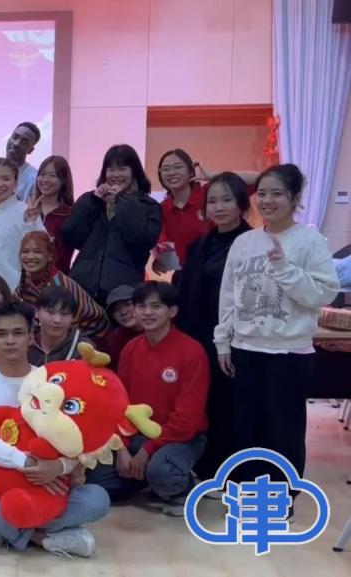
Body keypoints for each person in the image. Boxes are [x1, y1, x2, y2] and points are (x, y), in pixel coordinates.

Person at [0, 301, 109, 557]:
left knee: (98, 498)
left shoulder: (50, 379)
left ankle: (0, 527)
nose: (10, 340)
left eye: (18, 333)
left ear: (31, 336)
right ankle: (39, 537)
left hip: (47, 483)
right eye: (2, 334)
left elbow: (76, 435)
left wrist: (60, 467)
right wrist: (24, 462)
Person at [214, 164, 339, 490]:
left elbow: (323, 294)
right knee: (246, 429)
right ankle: (247, 494)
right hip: (245, 349)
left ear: (295, 198)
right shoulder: (244, 242)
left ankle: (281, 497)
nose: (267, 200)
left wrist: (285, 268)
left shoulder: (310, 241)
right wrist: (223, 341)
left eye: (277, 193)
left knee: (283, 432)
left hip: (289, 353)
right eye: (262, 193)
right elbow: (228, 295)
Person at [86, 282, 209, 516]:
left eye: (156, 306)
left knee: (163, 473)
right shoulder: (131, 349)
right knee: (96, 479)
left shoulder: (192, 352)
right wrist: (122, 448)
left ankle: (181, 485)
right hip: (136, 436)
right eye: (141, 306)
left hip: (181, 438)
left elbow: (186, 421)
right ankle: (145, 476)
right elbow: (119, 404)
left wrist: (146, 451)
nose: (147, 312)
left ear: (172, 311)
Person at [175, 173, 252, 479]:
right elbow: (185, 292)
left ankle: (234, 468)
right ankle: (206, 465)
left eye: (227, 200)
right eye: (212, 201)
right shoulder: (199, 245)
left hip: (237, 338)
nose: (219, 207)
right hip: (200, 335)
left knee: (232, 403)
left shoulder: (252, 244)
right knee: (204, 401)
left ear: (242, 204)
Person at [61, 144, 162, 303]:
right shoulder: (93, 201)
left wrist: (123, 201)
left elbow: (140, 241)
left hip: (122, 298)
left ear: (134, 172)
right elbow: (70, 235)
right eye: (110, 169)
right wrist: (92, 201)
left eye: (122, 169)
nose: (115, 175)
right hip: (81, 293)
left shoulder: (148, 206)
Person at [16, 231, 109, 337]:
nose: (30, 256)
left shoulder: (58, 284)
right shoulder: (26, 280)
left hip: (88, 336)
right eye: (25, 251)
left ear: (50, 256)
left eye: (37, 252)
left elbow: (65, 323)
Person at [0, 157, 46, 292]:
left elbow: (43, 248)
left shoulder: (25, 211)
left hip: (15, 290)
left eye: (6, 179)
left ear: (16, 182)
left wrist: (31, 224)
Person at [0, 121, 41, 207]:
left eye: (24, 142)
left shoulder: (34, 178)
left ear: (30, 150)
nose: (16, 143)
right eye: (15, 137)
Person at [28, 155, 75, 274]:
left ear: (64, 180)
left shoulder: (69, 215)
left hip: (56, 280)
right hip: (26, 279)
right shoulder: (27, 211)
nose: (45, 180)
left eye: (52, 175)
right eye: (42, 174)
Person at [27, 286, 93, 366]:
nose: (57, 320)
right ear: (36, 312)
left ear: (73, 317)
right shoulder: (25, 341)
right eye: (50, 312)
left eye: (64, 314)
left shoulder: (84, 349)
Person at [95, 285, 141, 371]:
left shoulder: (158, 331)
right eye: (116, 309)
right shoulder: (112, 341)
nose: (123, 312)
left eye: (127, 304)